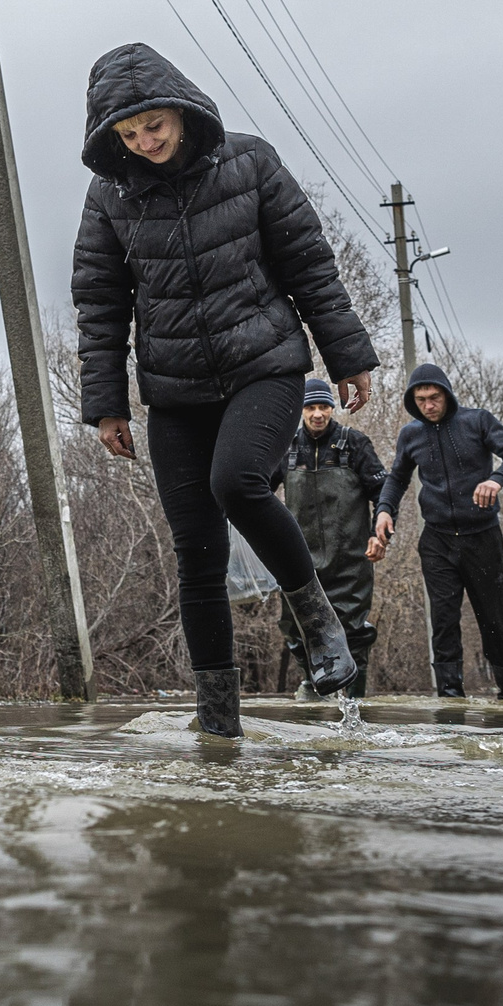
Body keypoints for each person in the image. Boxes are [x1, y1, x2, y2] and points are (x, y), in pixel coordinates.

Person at [73, 43, 381, 738]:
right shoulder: (110, 196)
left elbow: (309, 262)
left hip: (263, 366)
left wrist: (348, 356)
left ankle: (321, 624)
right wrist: (108, 404)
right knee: (198, 553)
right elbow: (99, 300)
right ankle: (218, 724)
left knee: (238, 482)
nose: (146, 143)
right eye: (128, 135)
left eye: (153, 126)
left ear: (179, 109)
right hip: (175, 390)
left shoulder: (251, 162)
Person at [376, 360, 503, 700]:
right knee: (443, 621)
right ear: (412, 401)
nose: (429, 406)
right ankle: (449, 698)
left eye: (434, 397)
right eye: (421, 400)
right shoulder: (410, 434)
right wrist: (385, 511)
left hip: (482, 536)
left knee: (495, 618)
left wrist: (496, 479)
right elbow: (397, 479)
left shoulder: (477, 421)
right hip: (437, 540)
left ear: (446, 395)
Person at [280, 378, 389, 700]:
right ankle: (316, 684)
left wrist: (379, 530)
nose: (317, 414)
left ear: (331, 407)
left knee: (353, 632)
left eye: (323, 406)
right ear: (301, 410)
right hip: (298, 559)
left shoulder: (354, 443)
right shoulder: (286, 446)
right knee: (295, 628)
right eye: (310, 407)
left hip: (350, 559)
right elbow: (255, 488)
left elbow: (382, 491)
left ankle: (355, 703)